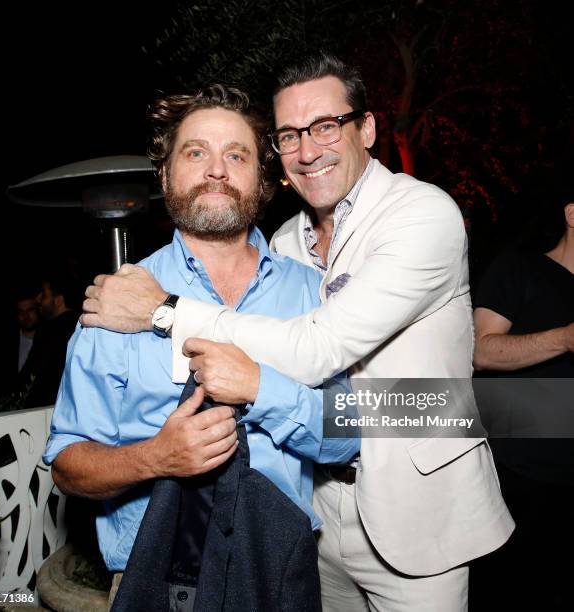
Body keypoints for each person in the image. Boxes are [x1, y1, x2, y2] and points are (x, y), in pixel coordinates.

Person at [81, 54, 514, 611]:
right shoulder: (284, 244)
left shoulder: (423, 215)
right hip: (311, 514)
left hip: (417, 510)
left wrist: (164, 311)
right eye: (289, 136)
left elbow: (318, 349)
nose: (308, 151)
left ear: (368, 128)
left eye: (326, 127)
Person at [44, 84, 358, 607]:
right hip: (155, 581)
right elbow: (68, 464)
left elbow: (347, 433)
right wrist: (154, 458)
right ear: (165, 176)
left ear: (263, 178)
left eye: (236, 155)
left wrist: (264, 390)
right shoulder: (117, 300)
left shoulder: (310, 293)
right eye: (196, 152)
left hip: (282, 579)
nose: (217, 169)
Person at [471, 177, 574, 610]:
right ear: (572, 215)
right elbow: (480, 351)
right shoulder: (519, 269)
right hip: (517, 479)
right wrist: (566, 338)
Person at [21, 272, 79, 407]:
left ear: (58, 300)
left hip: (46, 409)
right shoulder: (81, 325)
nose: (38, 300)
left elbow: (33, 372)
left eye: (44, 295)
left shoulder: (48, 331)